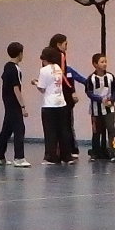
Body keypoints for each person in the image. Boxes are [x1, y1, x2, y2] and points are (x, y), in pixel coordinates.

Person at [49, 33, 84, 162]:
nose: (66, 47)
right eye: (65, 44)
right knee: (66, 123)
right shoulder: (61, 56)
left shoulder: (48, 59)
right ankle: (69, 150)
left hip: (53, 94)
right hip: (63, 94)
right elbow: (62, 75)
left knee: (56, 125)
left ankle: (56, 152)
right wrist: (71, 90)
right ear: (59, 44)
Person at [0, 41, 30, 168]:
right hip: (13, 101)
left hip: (6, 99)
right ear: (20, 54)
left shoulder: (7, 66)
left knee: (7, 129)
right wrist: (23, 106)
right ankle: (19, 157)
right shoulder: (14, 69)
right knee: (20, 128)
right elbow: (16, 88)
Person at [36, 44, 71, 165]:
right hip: (61, 102)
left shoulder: (43, 71)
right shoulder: (58, 67)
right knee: (63, 130)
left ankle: (52, 156)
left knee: (50, 131)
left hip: (49, 104)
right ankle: (66, 156)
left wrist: (35, 83)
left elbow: (42, 88)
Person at [87, 53, 115, 161]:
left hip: (109, 109)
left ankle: (114, 152)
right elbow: (89, 92)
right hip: (96, 110)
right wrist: (100, 99)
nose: (105, 64)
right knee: (96, 132)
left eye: (105, 61)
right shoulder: (91, 78)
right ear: (95, 64)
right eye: (102, 62)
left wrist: (112, 99)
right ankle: (95, 153)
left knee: (111, 129)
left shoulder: (110, 77)